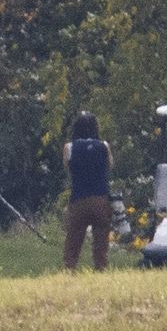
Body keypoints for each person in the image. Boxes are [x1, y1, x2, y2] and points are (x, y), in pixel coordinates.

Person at [62, 111, 113, 271]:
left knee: (73, 241)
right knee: (101, 242)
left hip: (79, 199)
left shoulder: (69, 147)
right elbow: (110, 165)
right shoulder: (104, 145)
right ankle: (100, 269)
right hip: (100, 199)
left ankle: (69, 270)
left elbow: (67, 166)